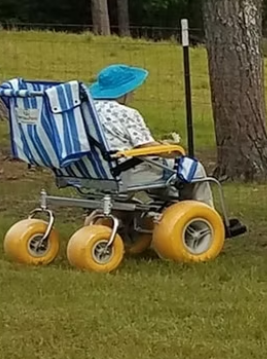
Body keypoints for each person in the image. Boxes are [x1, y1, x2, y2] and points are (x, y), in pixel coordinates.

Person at [87, 63, 244, 236]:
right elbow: (147, 148)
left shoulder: (86, 111)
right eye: (131, 90)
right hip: (124, 171)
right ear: (123, 91)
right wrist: (170, 148)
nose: (133, 93)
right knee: (191, 169)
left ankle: (170, 208)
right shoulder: (126, 113)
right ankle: (207, 221)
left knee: (158, 167)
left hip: (95, 170)